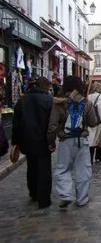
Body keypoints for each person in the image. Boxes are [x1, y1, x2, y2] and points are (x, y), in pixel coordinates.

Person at [47, 76, 98, 210]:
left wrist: (51, 140)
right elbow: (93, 122)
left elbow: (52, 126)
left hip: (65, 140)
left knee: (63, 169)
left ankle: (65, 195)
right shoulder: (86, 102)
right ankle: (82, 198)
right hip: (82, 140)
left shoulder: (59, 103)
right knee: (83, 170)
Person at [12, 77, 52, 209]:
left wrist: (15, 141)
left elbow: (16, 123)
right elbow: (52, 122)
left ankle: (33, 192)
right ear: (45, 87)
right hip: (43, 139)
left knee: (32, 167)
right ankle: (44, 199)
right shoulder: (48, 99)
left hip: (27, 139)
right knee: (44, 169)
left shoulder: (22, 100)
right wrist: (52, 139)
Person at [87, 82, 101, 164]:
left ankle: (90, 157)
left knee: (91, 137)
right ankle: (98, 156)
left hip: (89, 119)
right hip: (98, 119)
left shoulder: (88, 96)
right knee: (99, 137)